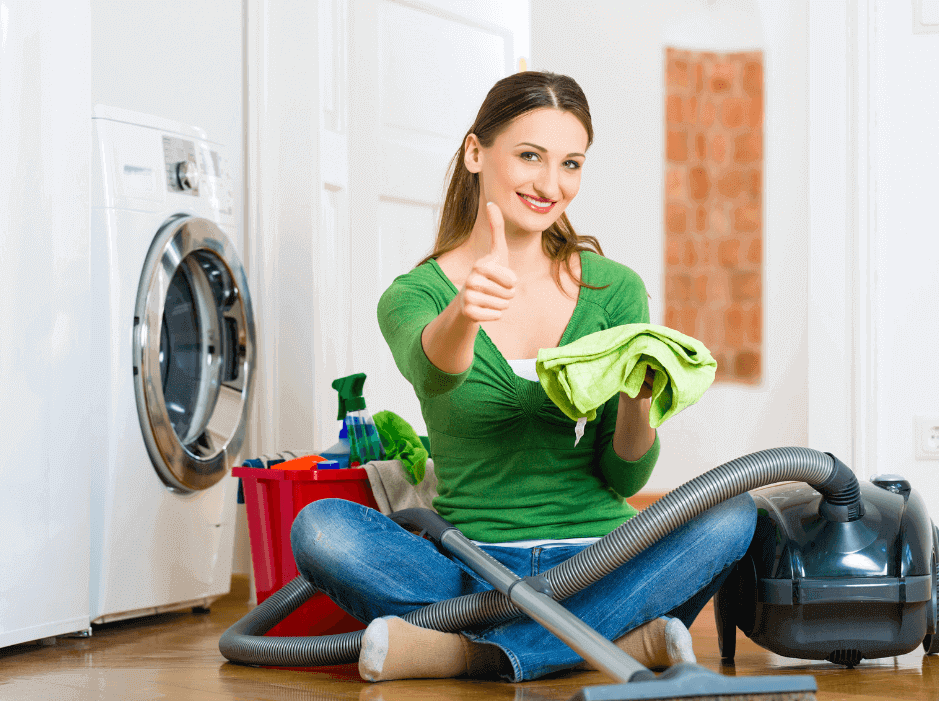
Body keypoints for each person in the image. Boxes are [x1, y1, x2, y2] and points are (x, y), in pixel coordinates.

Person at [291, 71, 756, 683]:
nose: (550, 184)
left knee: (734, 512)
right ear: (476, 151)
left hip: (604, 557)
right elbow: (436, 378)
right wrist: (466, 310)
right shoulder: (416, 295)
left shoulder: (613, 289)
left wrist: (640, 407)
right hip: (472, 567)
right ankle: (622, 641)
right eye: (530, 156)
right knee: (321, 529)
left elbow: (625, 473)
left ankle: (478, 653)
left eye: (571, 163)